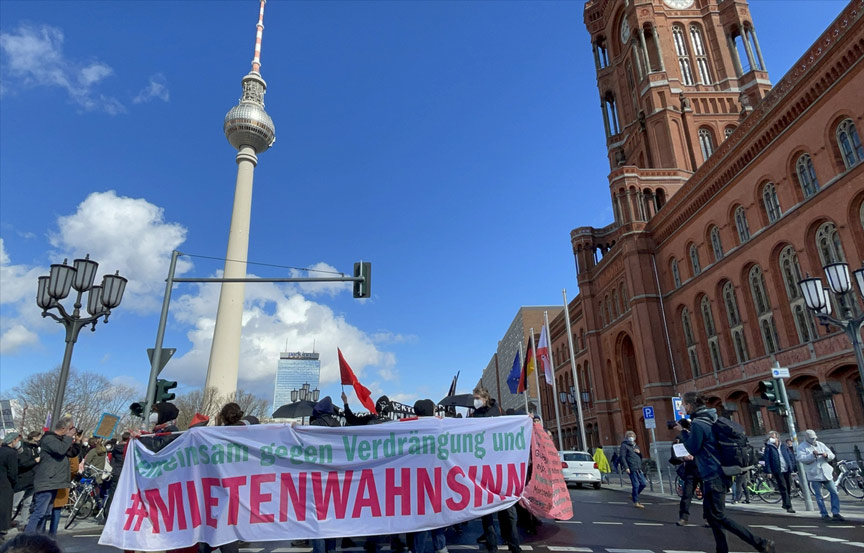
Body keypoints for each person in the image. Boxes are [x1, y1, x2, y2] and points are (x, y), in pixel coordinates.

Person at [680, 392, 774, 553]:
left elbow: (692, 448)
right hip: (718, 472)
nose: (682, 407)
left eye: (683, 404)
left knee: (718, 515)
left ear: (689, 405)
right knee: (712, 516)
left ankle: (761, 543)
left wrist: (683, 432)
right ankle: (722, 550)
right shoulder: (710, 418)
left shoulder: (698, 423)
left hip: (713, 473)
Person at [471, 386, 520, 553]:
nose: (475, 401)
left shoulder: (498, 410)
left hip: (500, 468)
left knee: (508, 511)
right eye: (474, 398)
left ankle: (514, 544)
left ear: (485, 397)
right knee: (487, 513)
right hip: (484, 467)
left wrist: (527, 419)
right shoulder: (474, 415)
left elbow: (512, 425)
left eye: (477, 397)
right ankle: (492, 546)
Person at [407, 399, 448, 553]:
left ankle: (417, 550)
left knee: (421, 519)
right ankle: (441, 548)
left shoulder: (407, 428)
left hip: (416, 482)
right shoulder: (439, 425)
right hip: (436, 480)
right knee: (436, 517)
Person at [25, 417, 76, 533]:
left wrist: (76, 441)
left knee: (46, 513)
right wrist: (68, 437)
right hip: (46, 481)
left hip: (53, 482)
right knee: (39, 512)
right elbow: (60, 450)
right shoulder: (49, 439)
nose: (73, 430)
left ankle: (39, 537)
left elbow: (71, 453)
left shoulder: (61, 440)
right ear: (64, 429)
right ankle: (27, 538)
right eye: (71, 428)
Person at [797, 429, 844, 522]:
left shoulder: (820, 444)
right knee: (819, 496)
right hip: (814, 474)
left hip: (826, 473)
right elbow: (801, 459)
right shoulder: (802, 447)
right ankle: (824, 514)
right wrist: (812, 455)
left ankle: (836, 512)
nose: (813, 440)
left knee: (834, 492)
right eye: (811, 438)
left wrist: (826, 455)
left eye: (814, 438)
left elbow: (832, 455)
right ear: (806, 438)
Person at [670, 420, 701, 526]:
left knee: (707, 494)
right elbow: (676, 454)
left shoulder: (696, 435)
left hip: (701, 468)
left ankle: (708, 518)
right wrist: (683, 457)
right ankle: (683, 518)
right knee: (687, 494)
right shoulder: (681, 438)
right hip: (690, 469)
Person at [762, 430, 795, 513]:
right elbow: (767, 460)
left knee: (788, 486)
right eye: (771, 437)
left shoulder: (783, 446)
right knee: (783, 487)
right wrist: (768, 471)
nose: (773, 438)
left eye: (774, 436)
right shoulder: (769, 447)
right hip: (777, 470)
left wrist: (792, 466)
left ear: (777, 437)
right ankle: (789, 506)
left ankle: (785, 502)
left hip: (787, 469)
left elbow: (790, 456)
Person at [11, 431, 39, 522]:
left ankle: (23, 522)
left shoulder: (36, 449)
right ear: (34, 437)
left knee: (27, 503)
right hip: (23, 479)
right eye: (39, 437)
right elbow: (22, 463)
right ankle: (5, 521)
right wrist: (35, 461)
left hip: (32, 479)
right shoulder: (24, 448)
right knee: (14, 503)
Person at [619, 430, 646, 508]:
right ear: (626, 437)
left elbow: (641, 456)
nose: (631, 438)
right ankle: (636, 502)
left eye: (632, 436)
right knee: (636, 485)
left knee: (643, 483)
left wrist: (639, 452)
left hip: (638, 467)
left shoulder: (636, 446)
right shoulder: (624, 446)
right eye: (629, 436)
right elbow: (622, 457)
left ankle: (634, 495)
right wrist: (626, 467)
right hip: (631, 467)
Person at [0, 432, 20, 541]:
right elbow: (13, 471)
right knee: (4, 507)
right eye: (17, 440)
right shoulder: (11, 453)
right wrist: (15, 481)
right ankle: (2, 530)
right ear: (13, 441)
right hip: (6, 484)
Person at [83, 436, 108, 507]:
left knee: (88, 489)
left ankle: (89, 503)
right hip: (100, 472)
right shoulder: (104, 450)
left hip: (92, 472)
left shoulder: (93, 451)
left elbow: (87, 462)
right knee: (97, 490)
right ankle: (97, 505)